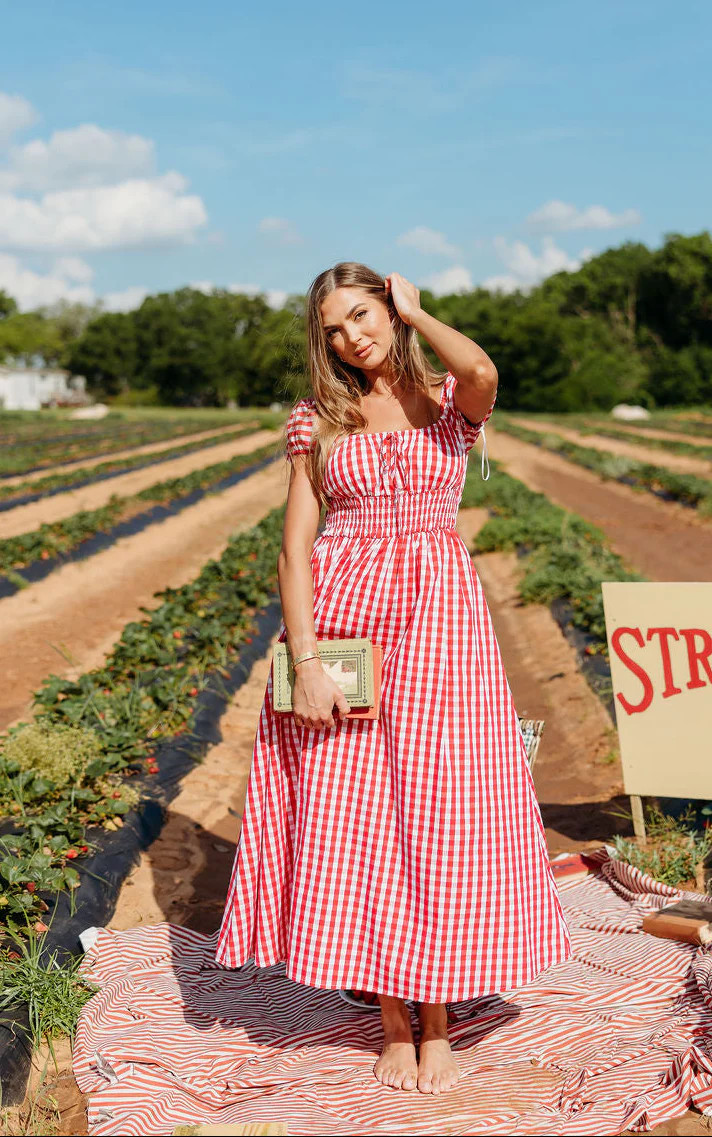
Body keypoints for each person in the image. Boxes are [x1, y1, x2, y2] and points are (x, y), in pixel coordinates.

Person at [214, 262, 572, 1095]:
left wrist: (419, 310)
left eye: (364, 314)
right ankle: (390, 1021)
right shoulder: (317, 420)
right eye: (334, 327)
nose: (352, 335)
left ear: (390, 309)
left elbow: (483, 370)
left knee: (441, 818)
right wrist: (303, 660)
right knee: (356, 817)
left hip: (441, 632)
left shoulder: (448, 403)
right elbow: (293, 547)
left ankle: (440, 1015)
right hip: (345, 627)